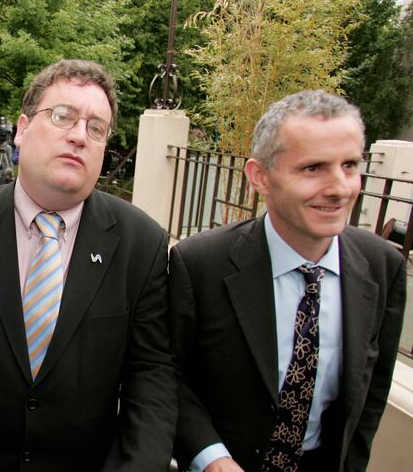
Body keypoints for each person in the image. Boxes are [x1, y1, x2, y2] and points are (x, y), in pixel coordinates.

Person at [0, 59, 177, 471]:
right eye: (62, 117)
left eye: (96, 128)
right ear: (22, 128)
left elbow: (151, 375)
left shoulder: (141, 242)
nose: (79, 137)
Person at [169, 90, 406, 472]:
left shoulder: (383, 267)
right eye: (313, 168)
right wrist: (211, 458)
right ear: (259, 176)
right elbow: (168, 378)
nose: (339, 188)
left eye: (349, 165)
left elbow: (371, 394)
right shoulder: (200, 264)